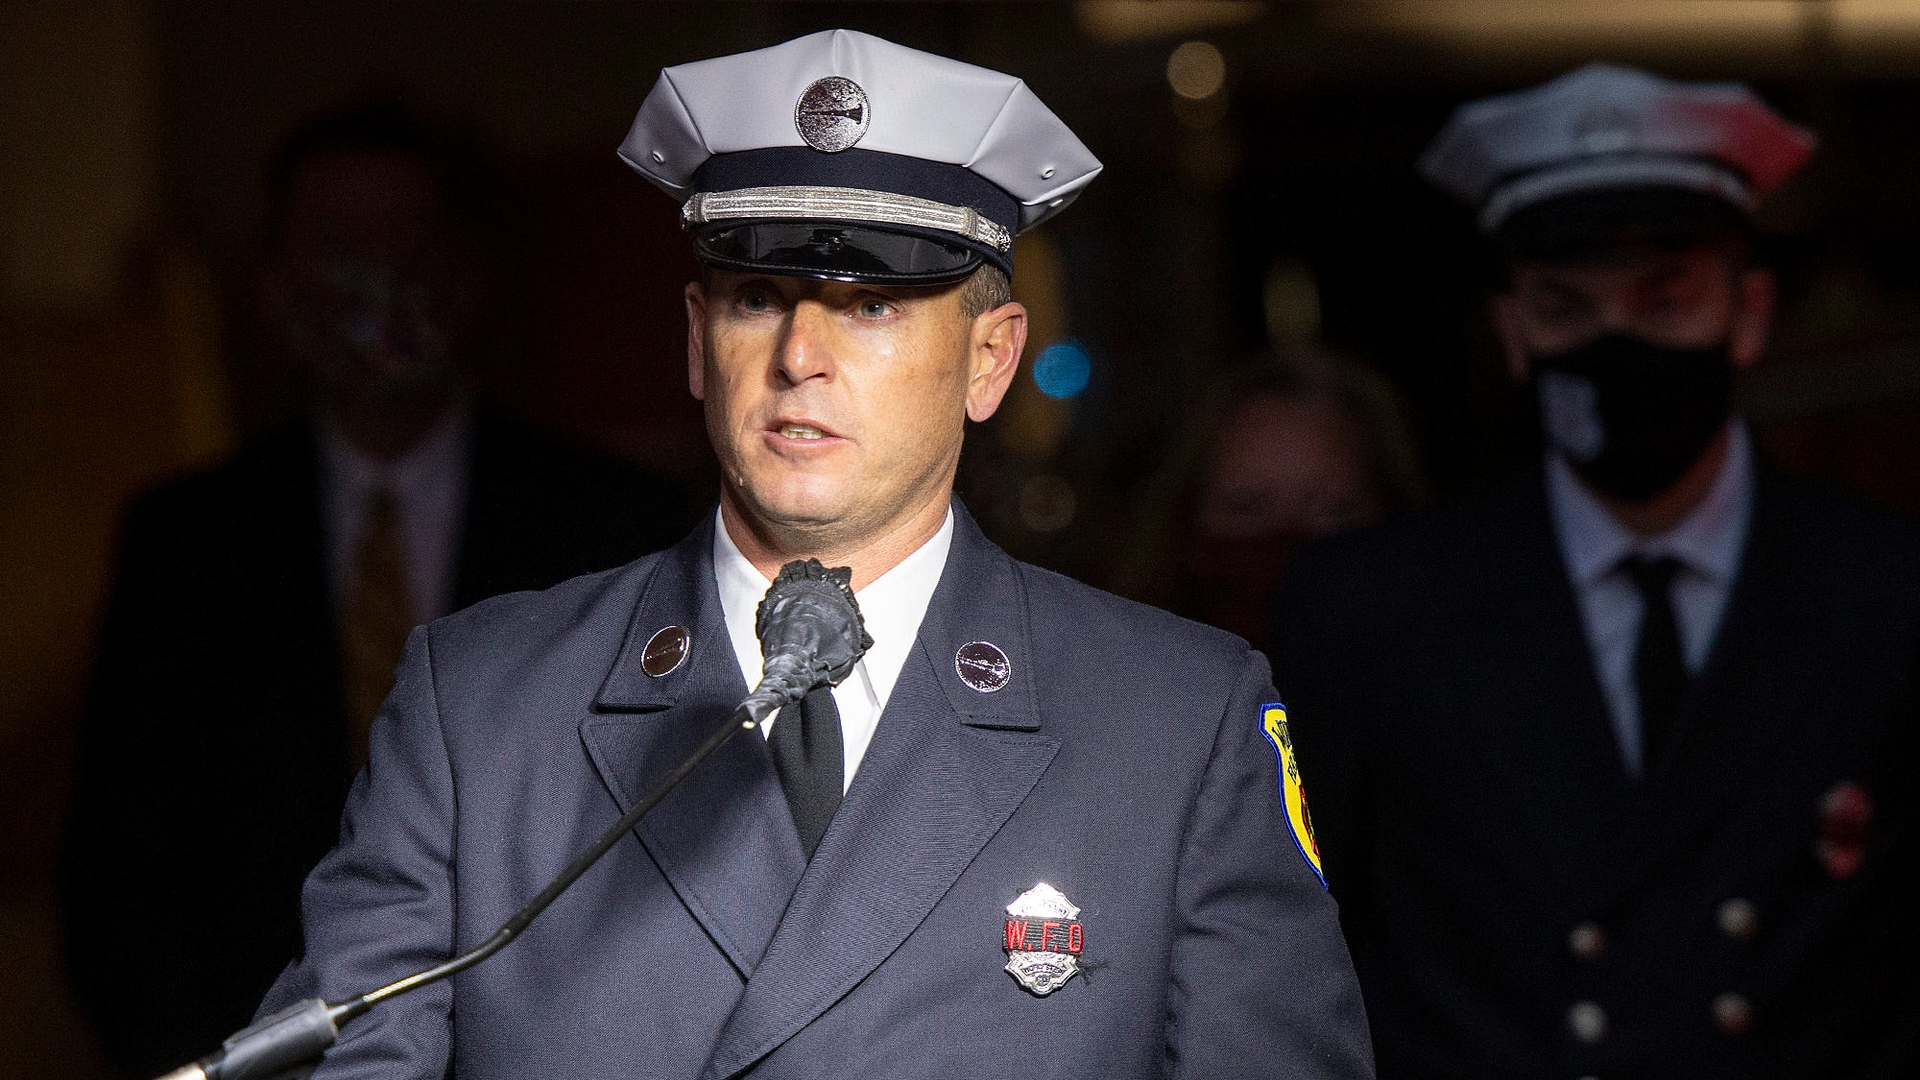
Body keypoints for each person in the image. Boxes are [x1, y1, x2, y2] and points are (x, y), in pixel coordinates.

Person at [251, 30, 1373, 1080]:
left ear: (990, 361)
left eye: (871, 305)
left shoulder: (1175, 724)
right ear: (698, 342)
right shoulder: (483, 708)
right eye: (757, 297)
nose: (800, 355)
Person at [1274, 63, 1920, 1079]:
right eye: (1568, 307)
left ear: (1748, 315)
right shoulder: (1373, 612)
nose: (1617, 345)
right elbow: (1294, 968)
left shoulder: (1886, 595)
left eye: (1664, 303)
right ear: (1512, 333)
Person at [61, 102, 693, 1076]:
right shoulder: (185, 542)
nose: (375, 284)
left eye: (404, 244)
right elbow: (118, 883)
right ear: (276, 286)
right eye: (335, 246)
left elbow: (665, 853)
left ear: (466, 272)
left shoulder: (614, 526)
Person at [1113, 349, 1426, 650]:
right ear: (1185, 516)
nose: (1286, 542)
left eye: (1331, 510)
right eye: (1247, 507)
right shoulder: (1124, 686)